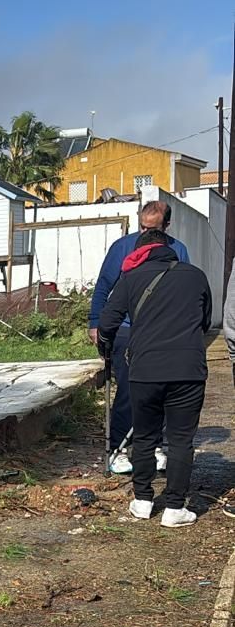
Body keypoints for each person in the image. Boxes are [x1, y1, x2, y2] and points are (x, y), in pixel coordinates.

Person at [98, 228, 211, 527]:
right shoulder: (196, 275)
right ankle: (175, 508)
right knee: (181, 439)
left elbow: (107, 322)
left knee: (145, 436)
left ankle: (143, 501)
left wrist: (105, 349)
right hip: (188, 369)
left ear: (140, 252)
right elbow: (205, 320)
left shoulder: (131, 279)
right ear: (168, 248)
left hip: (145, 370)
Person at [89, 201, 190, 473]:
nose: (146, 233)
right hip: (126, 328)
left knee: (161, 391)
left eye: (152, 228)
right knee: (128, 390)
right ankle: (118, 448)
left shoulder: (178, 250)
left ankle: (153, 444)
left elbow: (185, 289)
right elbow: (103, 286)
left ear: (166, 226)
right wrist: (95, 322)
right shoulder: (122, 248)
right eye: (142, 227)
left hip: (161, 331)